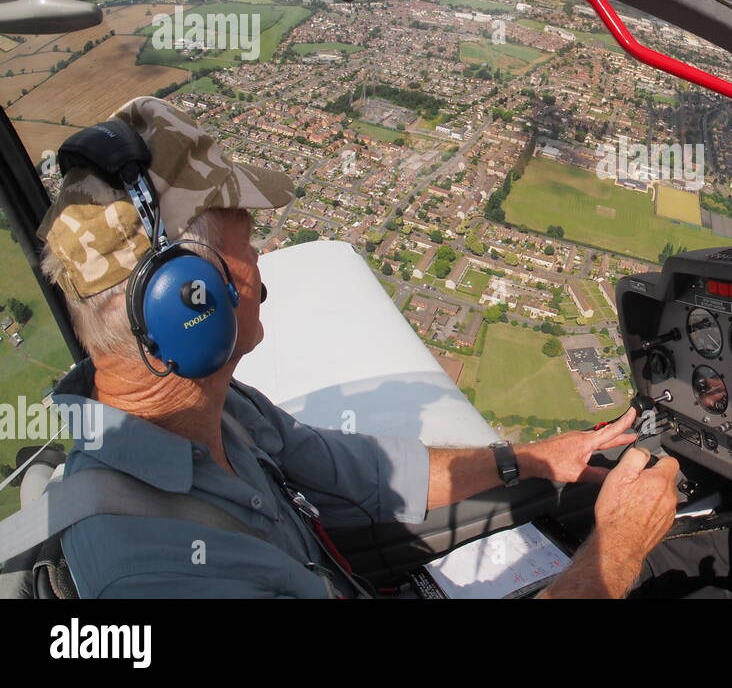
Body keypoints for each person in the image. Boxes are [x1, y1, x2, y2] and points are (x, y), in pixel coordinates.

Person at [37, 96, 680, 598]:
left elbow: (361, 472)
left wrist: (534, 459)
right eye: (245, 239)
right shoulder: (153, 574)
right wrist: (613, 555)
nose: (259, 258)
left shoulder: (219, 410)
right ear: (189, 297)